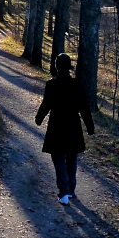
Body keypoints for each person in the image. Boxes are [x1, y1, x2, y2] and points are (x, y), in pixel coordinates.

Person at [35, 52, 95, 205]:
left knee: (59, 159)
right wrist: (90, 126)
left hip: (56, 126)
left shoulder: (52, 84)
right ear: (69, 67)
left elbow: (46, 104)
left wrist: (39, 118)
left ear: (56, 66)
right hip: (73, 126)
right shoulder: (76, 84)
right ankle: (71, 190)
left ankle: (64, 193)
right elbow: (84, 107)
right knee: (71, 158)